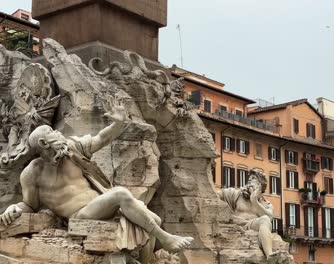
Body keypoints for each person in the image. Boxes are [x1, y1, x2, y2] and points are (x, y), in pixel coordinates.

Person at [0, 99, 193, 252]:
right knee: (120, 194)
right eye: (52, 132)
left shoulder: (73, 149)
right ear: (43, 143)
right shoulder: (32, 173)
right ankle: (166, 238)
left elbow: (102, 138)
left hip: (101, 203)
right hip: (80, 215)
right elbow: (29, 205)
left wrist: (118, 124)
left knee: (154, 220)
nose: (58, 133)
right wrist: (13, 208)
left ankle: (143, 253)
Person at [217, 170, 280, 261]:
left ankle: (270, 256)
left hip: (251, 225)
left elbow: (269, 219)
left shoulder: (266, 204)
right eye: (249, 179)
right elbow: (215, 195)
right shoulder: (236, 194)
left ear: (261, 185)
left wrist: (254, 201)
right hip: (236, 224)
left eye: (254, 179)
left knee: (265, 219)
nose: (250, 181)